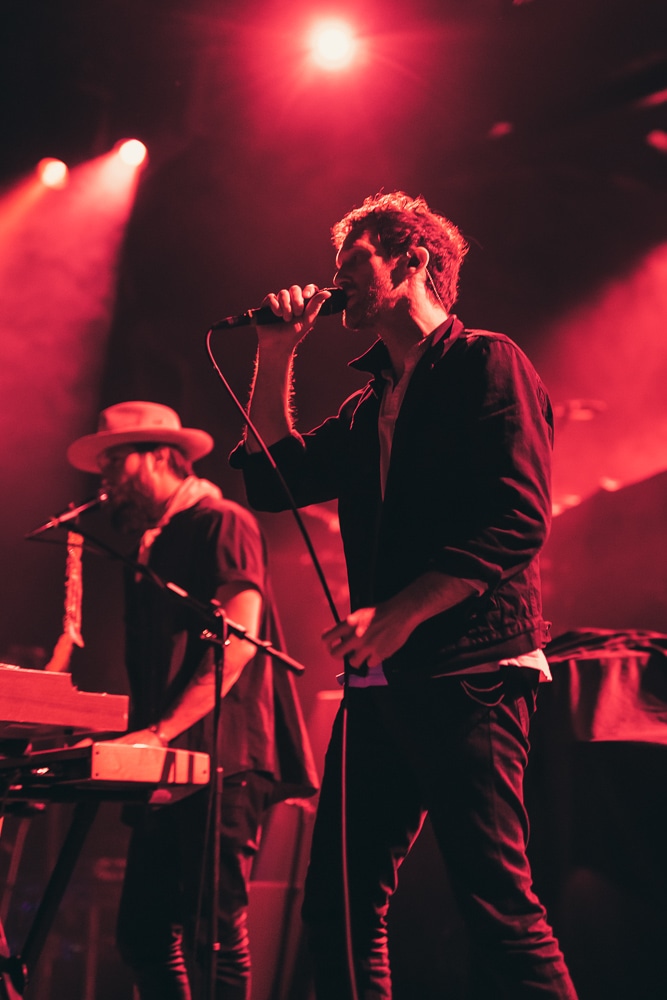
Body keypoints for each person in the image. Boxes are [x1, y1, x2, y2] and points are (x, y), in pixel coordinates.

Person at [230, 192, 579, 999]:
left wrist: (398, 614)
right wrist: (277, 352)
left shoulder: (488, 363)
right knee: (337, 909)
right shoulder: (367, 407)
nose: (336, 285)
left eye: (352, 267)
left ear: (412, 260)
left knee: (495, 906)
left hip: (473, 674)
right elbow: (267, 483)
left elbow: (516, 520)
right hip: (382, 686)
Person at [67, 400, 318, 1000]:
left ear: (159, 456)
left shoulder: (222, 521)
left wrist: (159, 733)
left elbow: (241, 641)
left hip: (223, 755)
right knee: (145, 936)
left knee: (213, 932)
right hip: (171, 756)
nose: (104, 479)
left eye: (115, 462)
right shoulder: (155, 542)